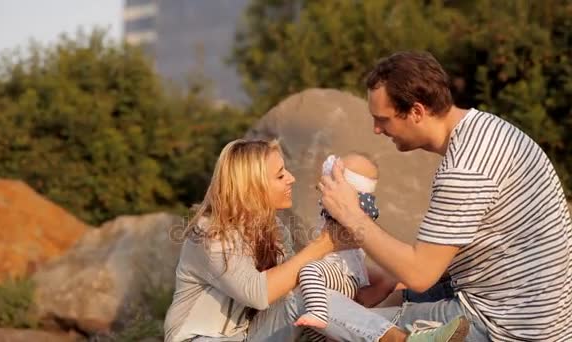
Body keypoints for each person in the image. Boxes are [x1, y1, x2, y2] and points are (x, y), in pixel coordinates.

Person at [317, 51, 572, 341]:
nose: (377, 130)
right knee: (389, 297)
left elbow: (419, 273)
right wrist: (392, 281)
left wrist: (351, 215)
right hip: (542, 317)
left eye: (383, 120)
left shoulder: (463, 170)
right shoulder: (488, 130)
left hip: (503, 328)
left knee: (317, 309)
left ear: (416, 112)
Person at [163, 139, 469, 342]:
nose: (292, 179)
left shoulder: (273, 230)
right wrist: (324, 244)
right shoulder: (209, 233)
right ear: (252, 184)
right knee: (304, 295)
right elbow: (257, 293)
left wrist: (389, 279)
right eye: (280, 175)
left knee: (320, 310)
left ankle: (437, 323)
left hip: (253, 335)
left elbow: (308, 296)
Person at [296, 153, 381, 342]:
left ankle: (319, 312)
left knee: (308, 270)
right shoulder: (351, 207)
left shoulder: (355, 208)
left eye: (341, 171)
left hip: (342, 276)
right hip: (339, 276)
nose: (335, 170)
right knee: (312, 332)